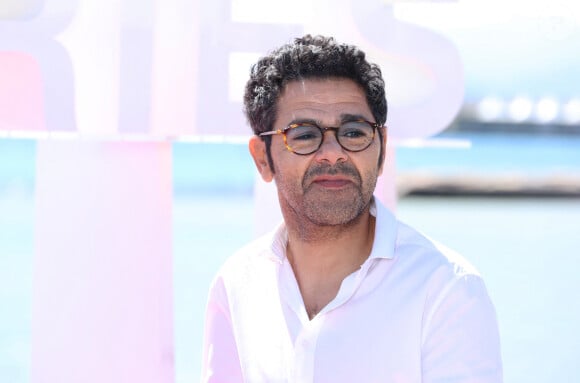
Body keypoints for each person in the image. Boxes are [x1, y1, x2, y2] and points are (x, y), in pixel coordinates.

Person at [201, 35, 502, 382]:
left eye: (354, 132)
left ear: (383, 147)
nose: (333, 152)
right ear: (261, 158)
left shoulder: (446, 290)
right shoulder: (237, 284)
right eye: (303, 135)